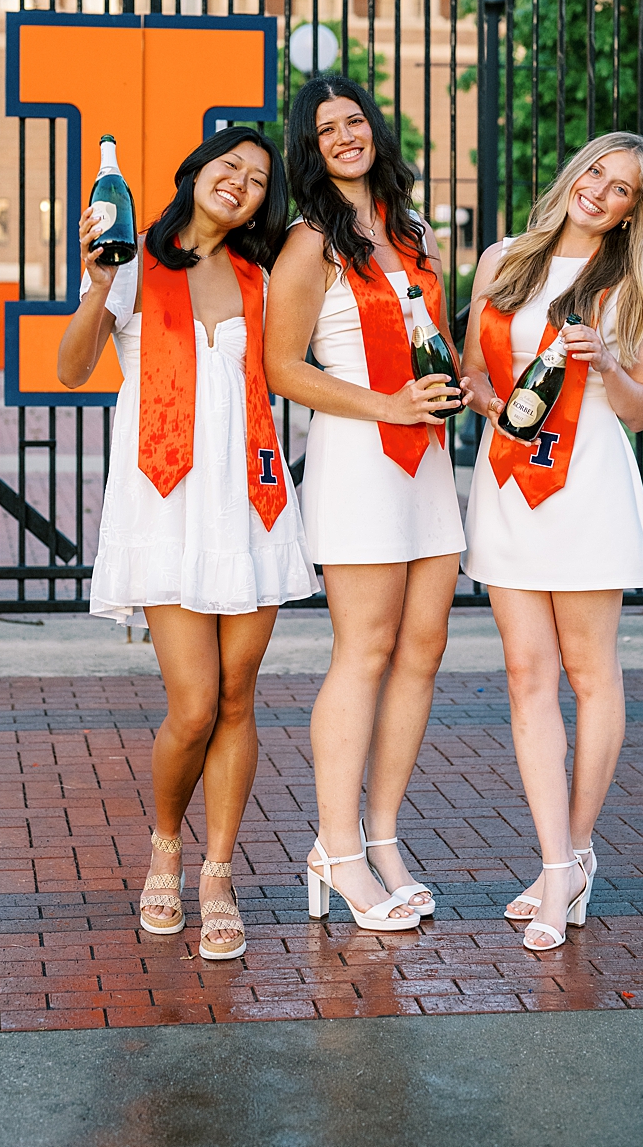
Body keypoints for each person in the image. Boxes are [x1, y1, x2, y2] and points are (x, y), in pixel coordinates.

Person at [57, 124, 316, 960]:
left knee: (239, 696)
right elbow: (71, 367)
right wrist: (97, 283)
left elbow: (290, 371)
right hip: (166, 507)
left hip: (251, 505)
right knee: (195, 703)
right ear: (195, 171)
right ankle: (165, 846)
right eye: (228, 165)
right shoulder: (133, 260)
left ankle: (218, 871)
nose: (239, 181)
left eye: (256, 177)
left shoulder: (260, 277)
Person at [458, 132, 643, 953]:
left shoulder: (632, 285)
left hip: (586, 485)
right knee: (524, 673)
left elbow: (642, 407)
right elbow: (481, 375)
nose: (602, 192)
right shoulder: (502, 261)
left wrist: (604, 364)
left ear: (629, 215)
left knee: (589, 671)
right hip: (509, 482)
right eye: (597, 174)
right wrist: (477, 393)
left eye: (622, 191)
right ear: (574, 174)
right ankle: (554, 863)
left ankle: (573, 855)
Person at [266, 76, 464, 933]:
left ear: (375, 130)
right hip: (360, 456)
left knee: (422, 651)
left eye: (355, 121)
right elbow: (283, 367)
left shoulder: (413, 232)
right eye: (327, 129)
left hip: (426, 459)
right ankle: (336, 848)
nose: (346, 135)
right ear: (309, 149)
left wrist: (470, 393)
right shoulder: (310, 241)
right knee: (366, 649)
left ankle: (383, 838)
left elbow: (440, 345)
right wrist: (388, 405)